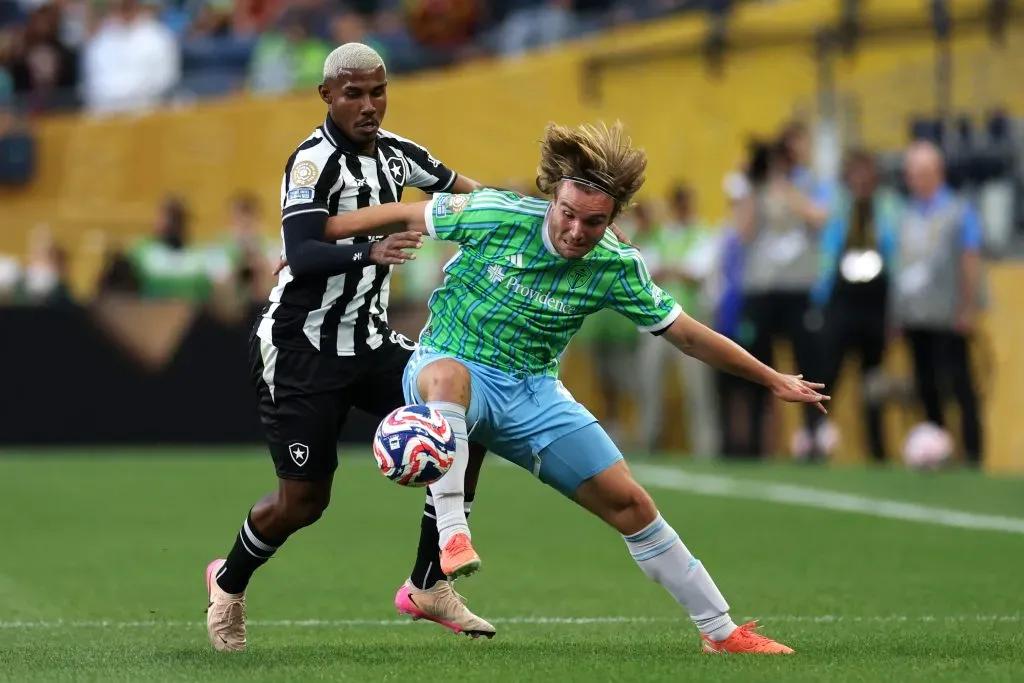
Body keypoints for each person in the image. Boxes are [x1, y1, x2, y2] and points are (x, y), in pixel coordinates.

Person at [322, 121, 829, 654]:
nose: (576, 231)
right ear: (552, 198)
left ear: (613, 219)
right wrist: (313, 237)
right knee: (449, 377)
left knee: (631, 503)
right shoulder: (495, 213)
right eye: (568, 214)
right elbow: (403, 213)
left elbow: (685, 335)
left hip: (533, 393)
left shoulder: (615, 264)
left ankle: (720, 630)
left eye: (594, 222)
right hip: (447, 363)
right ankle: (451, 533)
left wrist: (773, 378)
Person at [204, 42, 495, 653]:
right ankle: (228, 581)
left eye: (378, 91)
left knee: (463, 421)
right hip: (302, 347)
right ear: (327, 96)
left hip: (371, 341)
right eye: (355, 94)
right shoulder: (311, 163)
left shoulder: (400, 155)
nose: (369, 105)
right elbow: (303, 250)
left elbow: (480, 198)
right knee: (304, 503)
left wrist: (549, 218)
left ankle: (428, 584)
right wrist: (372, 250)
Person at [736, 133, 829, 459]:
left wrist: (785, 189)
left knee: (808, 364)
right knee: (758, 365)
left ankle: (814, 437)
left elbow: (820, 217)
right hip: (762, 290)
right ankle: (756, 444)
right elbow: (742, 233)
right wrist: (751, 186)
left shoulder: (806, 186)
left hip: (797, 291)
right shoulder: (755, 191)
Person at [893, 141, 984, 465]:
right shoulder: (906, 214)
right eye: (910, 174)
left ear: (936, 173)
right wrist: (898, 314)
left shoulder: (959, 211)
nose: (913, 180)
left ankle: (973, 454)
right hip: (917, 315)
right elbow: (901, 265)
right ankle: (936, 450)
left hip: (949, 314)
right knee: (926, 385)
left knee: (960, 385)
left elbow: (970, 259)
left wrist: (968, 307)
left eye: (919, 173)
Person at [812, 150, 899, 462]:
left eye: (867, 173)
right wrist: (820, 301)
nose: (862, 180)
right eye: (856, 173)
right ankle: (816, 442)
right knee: (828, 376)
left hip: (874, 304)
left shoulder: (888, 208)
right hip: (842, 303)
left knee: (873, 382)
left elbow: (895, 257)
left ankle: (877, 450)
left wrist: (894, 314)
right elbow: (826, 252)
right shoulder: (837, 207)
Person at [634, 185, 719, 455]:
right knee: (648, 384)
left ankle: (706, 449)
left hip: (691, 321)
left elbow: (696, 272)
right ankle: (647, 443)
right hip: (657, 322)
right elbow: (646, 270)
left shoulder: (702, 234)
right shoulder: (662, 235)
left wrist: (669, 269)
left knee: (697, 389)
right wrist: (677, 270)